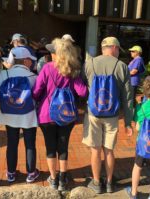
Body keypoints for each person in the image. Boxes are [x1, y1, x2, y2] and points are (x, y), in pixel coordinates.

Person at [33, 38, 88, 191]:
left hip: (46, 114)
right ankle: (63, 178)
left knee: (50, 147)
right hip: (67, 115)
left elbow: (36, 92)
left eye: (53, 51)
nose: (50, 53)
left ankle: (53, 178)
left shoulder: (47, 68)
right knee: (63, 147)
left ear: (58, 54)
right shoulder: (73, 70)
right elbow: (83, 92)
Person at [82, 37, 133, 194]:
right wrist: (128, 122)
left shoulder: (89, 64)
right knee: (109, 150)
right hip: (112, 115)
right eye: (118, 49)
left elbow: (83, 88)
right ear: (114, 48)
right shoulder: (122, 66)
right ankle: (110, 183)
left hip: (93, 114)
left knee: (95, 150)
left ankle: (97, 182)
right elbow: (128, 97)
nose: (118, 52)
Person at [0, 47, 40, 183]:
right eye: (30, 60)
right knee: (30, 144)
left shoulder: (4, 74)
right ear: (25, 61)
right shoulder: (34, 77)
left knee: (12, 143)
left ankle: (11, 173)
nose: (31, 63)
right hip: (28, 115)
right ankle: (31, 173)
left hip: (9, 115)